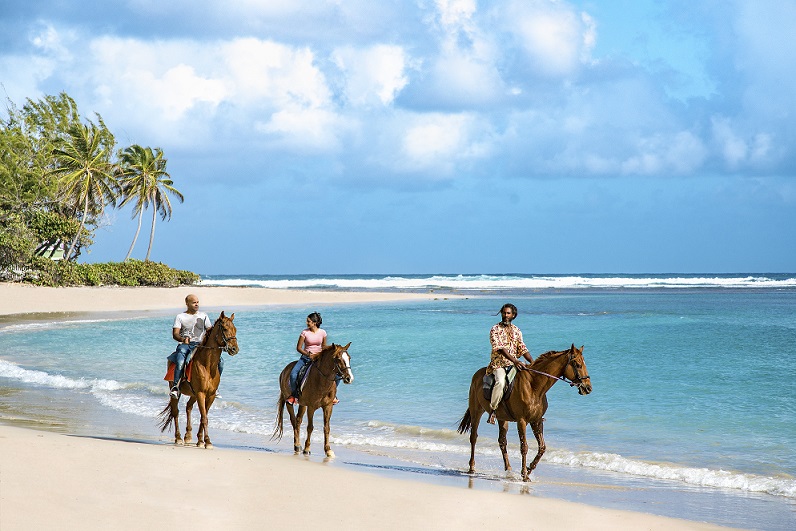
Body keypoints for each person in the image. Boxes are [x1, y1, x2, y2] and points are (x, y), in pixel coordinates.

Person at [167, 294, 223, 398]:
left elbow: (209, 331)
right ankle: (176, 386)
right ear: (187, 303)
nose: (196, 304)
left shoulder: (203, 316)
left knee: (220, 361)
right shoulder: (180, 317)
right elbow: (175, 334)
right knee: (180, 361)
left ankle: (215, 386)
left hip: (201, 346)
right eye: (194, 302)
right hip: (185, 345)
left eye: (197, 302)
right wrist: (183, 339)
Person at [486, 303, 533, 424]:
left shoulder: (517, 330)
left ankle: (533, 411)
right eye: (504, 313)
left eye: (508, 313)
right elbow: (500, 348)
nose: (505, 315)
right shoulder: (495, 329)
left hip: (515, 364)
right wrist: (515, 361)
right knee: (501, 382)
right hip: (499, 364)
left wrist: (533, 363)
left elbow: (522, 348)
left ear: (513, 315)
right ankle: (493, 410)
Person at [287, 312, 328, 405]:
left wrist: (332, 349)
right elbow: (299, 348)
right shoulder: (304, 333)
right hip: (306, 358)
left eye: (308, 321)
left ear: (314, 322)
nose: (307, 323)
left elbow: (324, 346)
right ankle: (294, 396)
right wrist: (308, 355)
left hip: (319, 358)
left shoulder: (323, 332)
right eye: (307, 321)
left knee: (336, 375)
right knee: (293, 374)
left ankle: (332, 395)